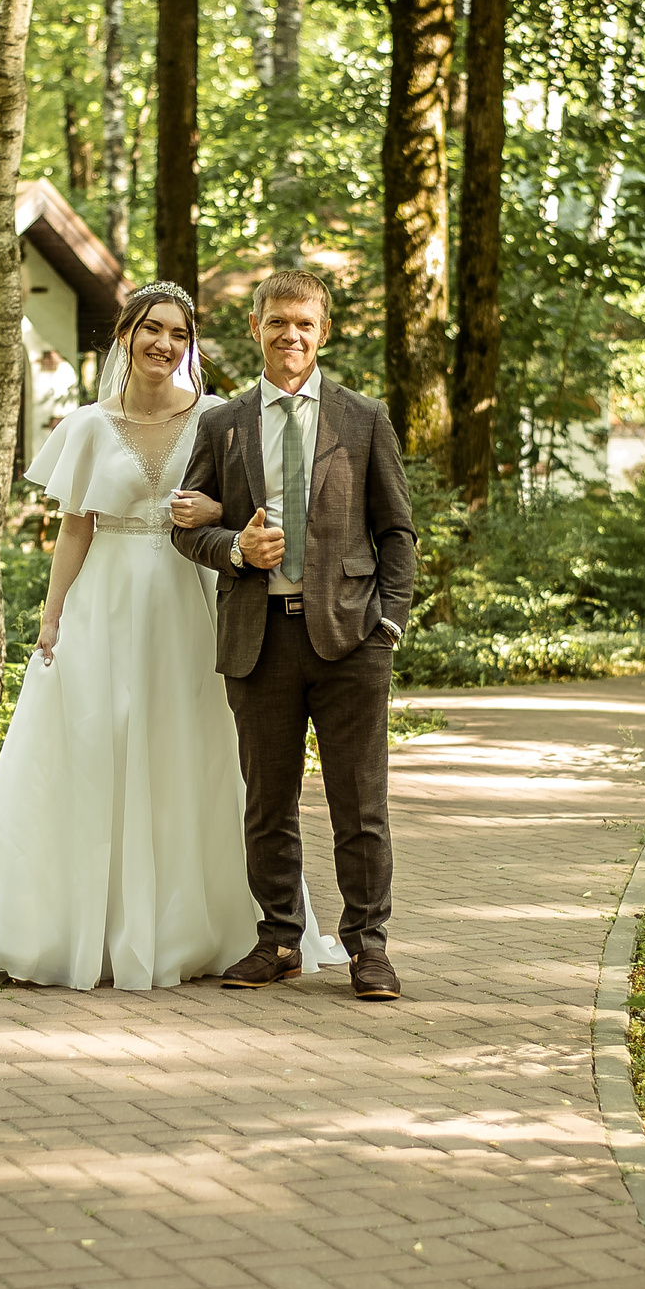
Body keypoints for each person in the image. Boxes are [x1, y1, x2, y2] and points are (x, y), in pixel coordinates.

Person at [0, 283, 261, 989]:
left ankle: (189, 928)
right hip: (104, 601)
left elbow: (247, 507)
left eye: (178, 333)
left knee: (186, 746)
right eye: (152, 329)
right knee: (96, 742)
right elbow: (75, 530)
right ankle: (84, 928)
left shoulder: (217, 418)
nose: (165, 344)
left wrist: (215, 510)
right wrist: (53, 615)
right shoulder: (86, 425)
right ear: (125, 336)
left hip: (188, 595)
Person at [171, 270, 418, 1001]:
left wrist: (389, 623)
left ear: (324, 331)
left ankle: (368, 947)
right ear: (256, 328)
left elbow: (397, 531)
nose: (291, 335)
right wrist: (235, 549)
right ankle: (279, 938)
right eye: (278, 321)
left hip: (351, 640)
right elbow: (186, 527)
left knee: (360, 806)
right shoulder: (223, 425)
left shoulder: (363, 418)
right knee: (267, 804)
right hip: (259, 641)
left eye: (305, 323)